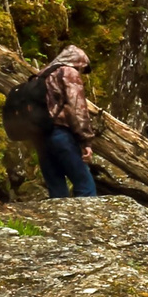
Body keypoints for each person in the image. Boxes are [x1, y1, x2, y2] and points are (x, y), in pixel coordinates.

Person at [37, 44, 98, 199]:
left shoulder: (42, 74)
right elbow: (77, 109)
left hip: (40, 137)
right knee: (85, 186)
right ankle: (88, 216)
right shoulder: (69, 72)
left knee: (56, 191)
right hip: (60, 135)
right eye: (82, 69)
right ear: (80, 63)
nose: (81, 72)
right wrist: (86, 141)